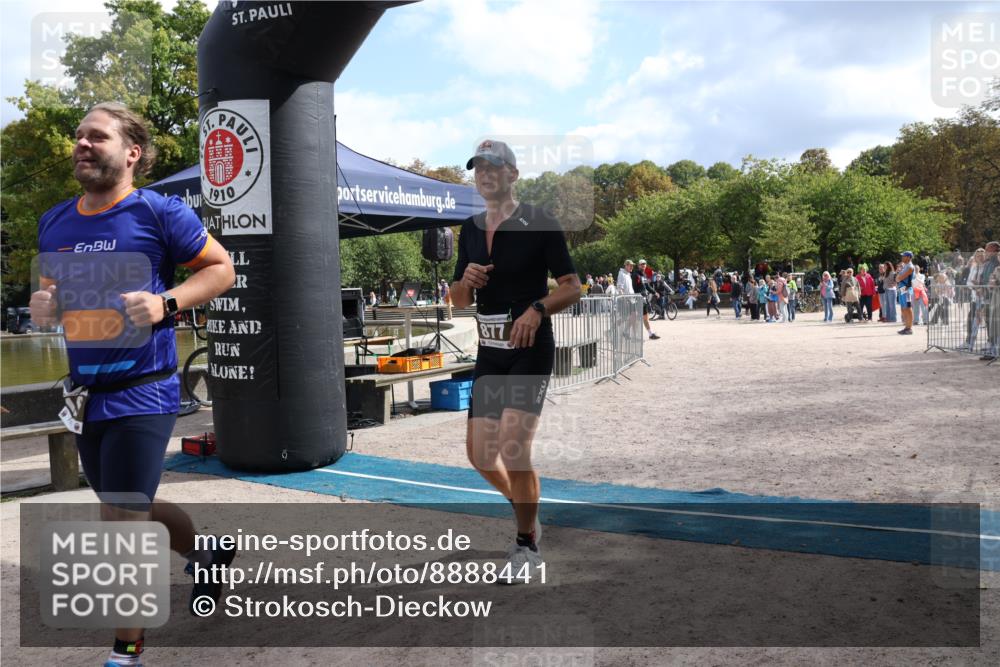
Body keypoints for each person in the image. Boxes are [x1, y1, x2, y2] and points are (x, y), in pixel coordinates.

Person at [29, 103, 236, 667]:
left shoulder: (159, 211)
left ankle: (127, 651)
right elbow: (52, 296)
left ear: (132, 153)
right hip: (85, 393)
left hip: (145, 387)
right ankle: (207, 552)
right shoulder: (54, 221)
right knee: (123, 501)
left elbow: (220, 269)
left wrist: (166, 302)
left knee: (120, 517)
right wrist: (44, 306)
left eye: (97, 136)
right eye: (79, 136)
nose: (82, 143)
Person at [450, 139, 581, 580]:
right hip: (490, 352)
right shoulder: (468, 229)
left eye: (494, 167)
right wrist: (464, 281)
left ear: (513, 174)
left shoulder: (539, 221)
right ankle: (525, 509)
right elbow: (456, 300)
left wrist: (538, 308)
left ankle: (526, 545)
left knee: (513, 446)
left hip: (529, 348)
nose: (485, 175)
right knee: (481, 456)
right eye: (478, 169)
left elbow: (571, 285)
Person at [632, 259, 660, 339]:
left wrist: (655, 292)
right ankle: (633, 335)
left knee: (645, 318)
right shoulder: (635, 275)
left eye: (644, 264)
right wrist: (637, 296)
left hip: (643, 299)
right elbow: (634, 287)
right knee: (635, 319)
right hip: (637, 299)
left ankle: (650, 334)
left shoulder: (644, 275)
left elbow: (647, 286)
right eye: (642, 264)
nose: (643, 266)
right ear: (638, 265)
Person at [896, 251, 916, 335]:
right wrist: (898, 278)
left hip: (907, 288)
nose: (902, 257)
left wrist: (898, 278)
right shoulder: (905, 266)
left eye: (903, 256)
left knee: (908, 307)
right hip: (903, 288)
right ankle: (907, 327)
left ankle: (909, 328)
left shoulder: (910, 267)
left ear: (908, 257)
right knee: (904, 307)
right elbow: (897, 277)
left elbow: (899, 278)